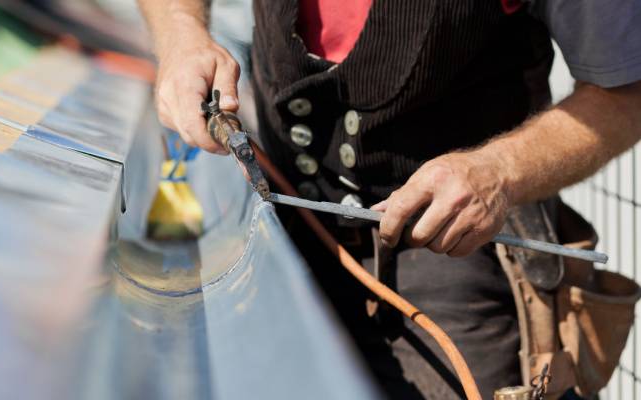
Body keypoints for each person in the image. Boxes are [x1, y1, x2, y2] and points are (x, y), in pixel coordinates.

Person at [136, 0, 641, 398]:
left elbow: (626, 96)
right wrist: (181, 30)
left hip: (456, 258)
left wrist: (498, 171)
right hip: (282, 246)